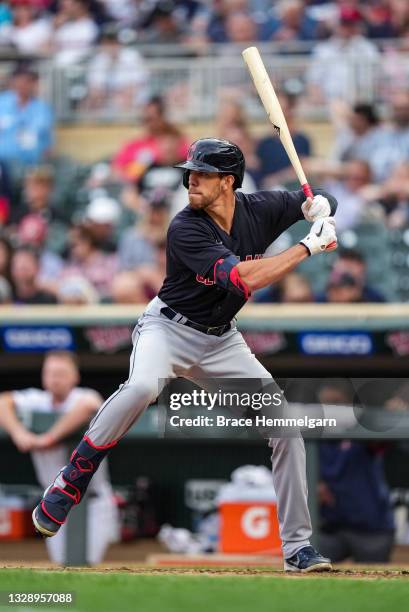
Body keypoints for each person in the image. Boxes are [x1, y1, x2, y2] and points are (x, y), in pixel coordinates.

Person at [32, 137, 338, 572]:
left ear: (228, 182)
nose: (190, 179)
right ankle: (71, 479)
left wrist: (319, 206)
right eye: (189, 172)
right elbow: (243, 280)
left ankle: (297, 548)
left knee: (285, 428)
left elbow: (324, 196)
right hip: (169, 328)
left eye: (202, 173)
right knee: (140, 386)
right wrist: (307, 246)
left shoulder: (261, 208)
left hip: (222, 340)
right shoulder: (185, 227)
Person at [0, 350, 118, 565]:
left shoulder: (82, 396)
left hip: (92, 501)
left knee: (85, 565)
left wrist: (49, 437)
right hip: (52, 500)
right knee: (62, 566)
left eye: (62, 373)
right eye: (51, 373)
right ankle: (69, 599)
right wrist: (19, 433)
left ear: (75, 377)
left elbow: (90, 405)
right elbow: (3, 402)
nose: (55, 378)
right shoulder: (36, 400)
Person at [317, 381, 395, 563]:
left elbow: (382, 441)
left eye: (336, 403)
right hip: (330, 527)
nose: (331, 410)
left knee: (377, 584)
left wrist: (391, 414)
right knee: (309, 573)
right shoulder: (312, 433)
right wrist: (311, 483)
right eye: (325, 404)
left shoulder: (364, 429)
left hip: (371, 528)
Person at [0, 64, 54, 168]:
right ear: (13, 82)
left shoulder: (43, 109)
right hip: (3, 165)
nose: (23, 85)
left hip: (31, 165)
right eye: (20, 80)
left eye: (28, 81)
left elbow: (48, 143)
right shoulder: (1, 103)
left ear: (34, 84)